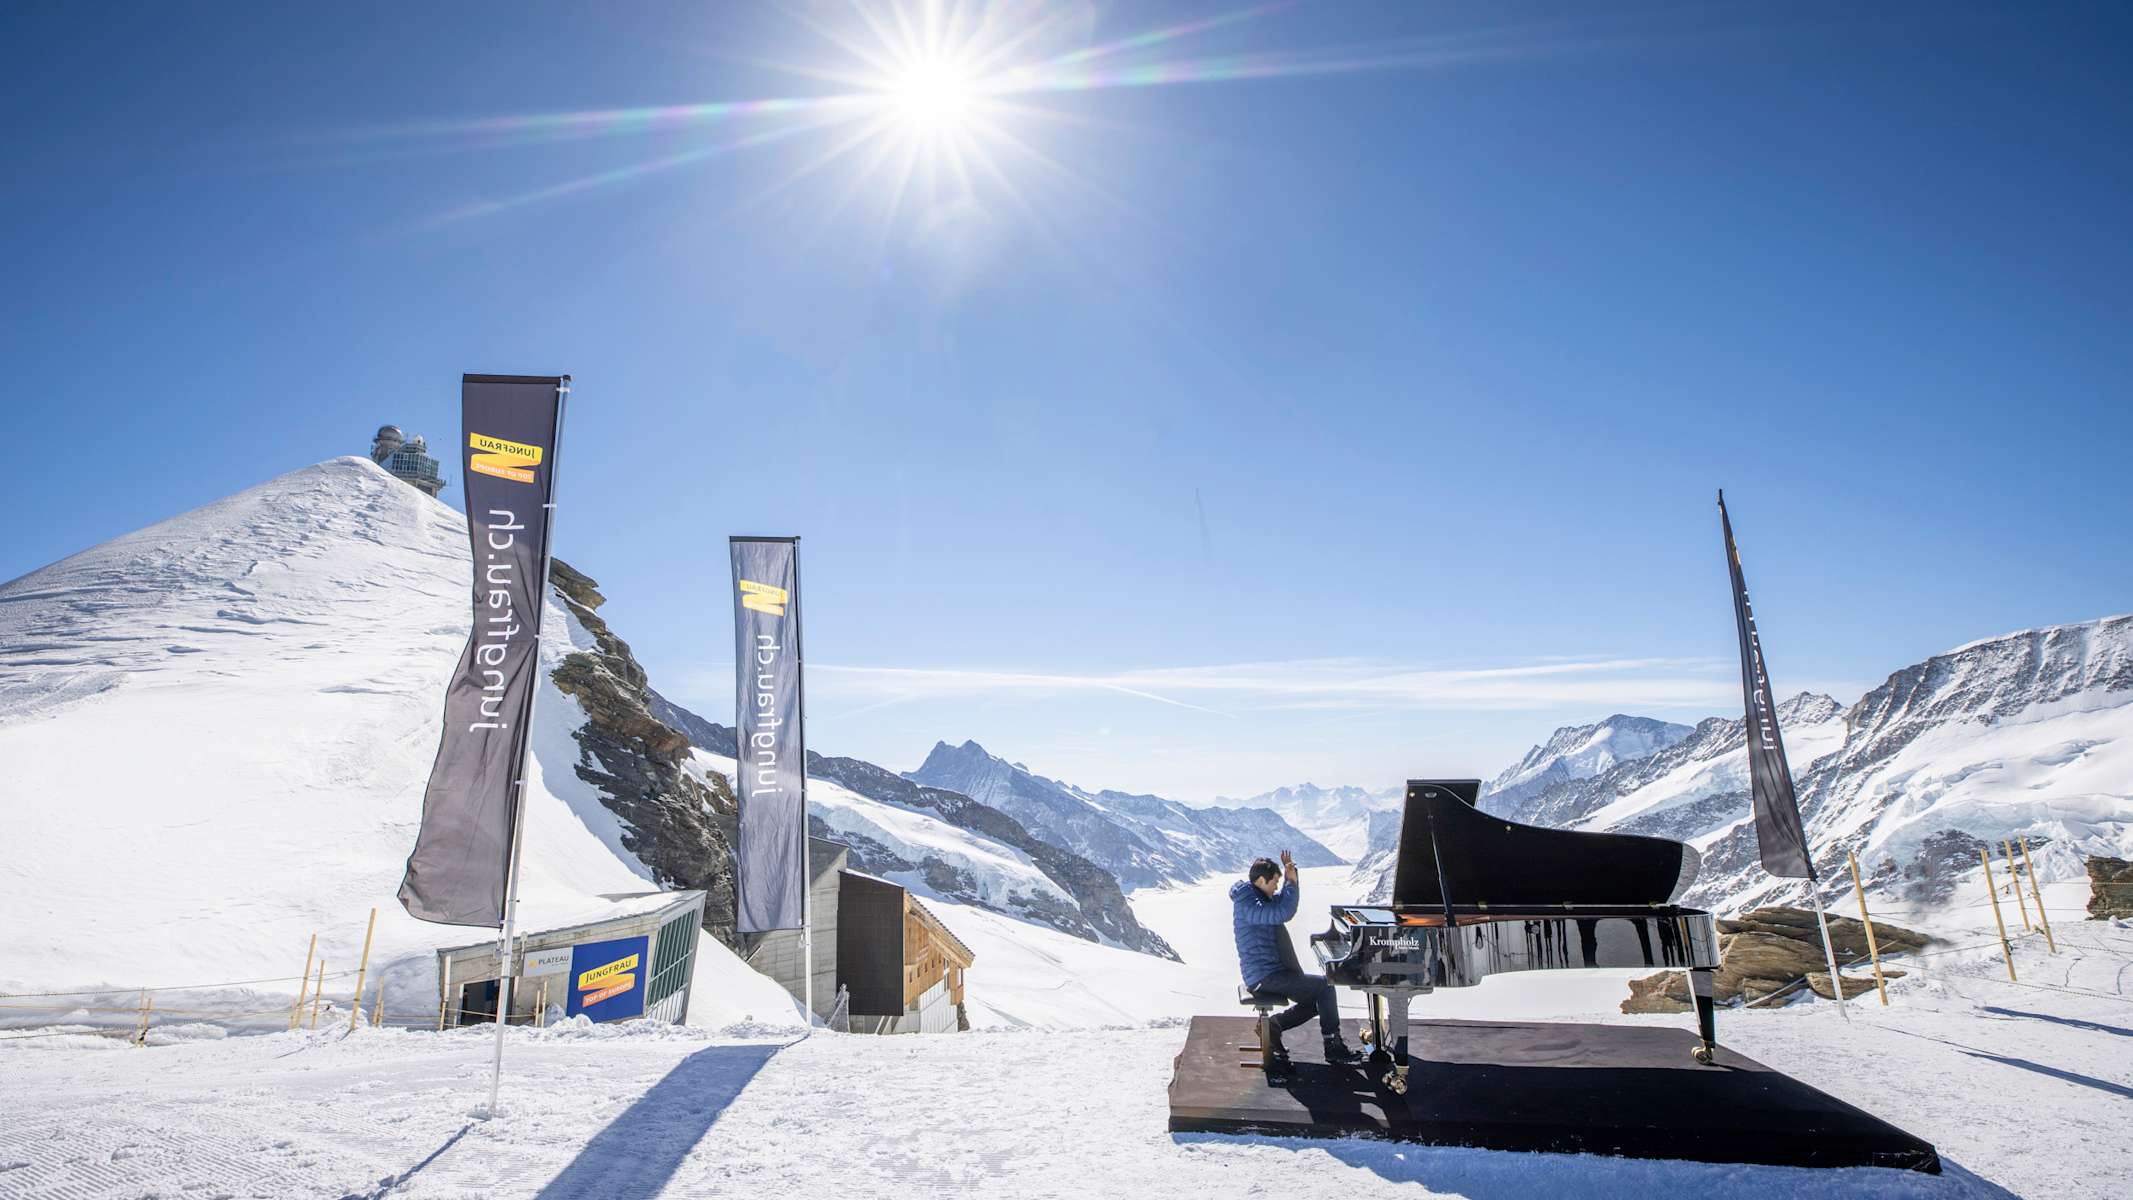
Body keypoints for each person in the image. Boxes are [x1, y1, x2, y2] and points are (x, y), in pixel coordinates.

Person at [1230, 850, 1362, 1067]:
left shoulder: (1253, 897)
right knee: (1325, 987)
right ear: (1261, 880)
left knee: (1315, 1001)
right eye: (1274, 882)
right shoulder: (1248, 905)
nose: (1275, 887)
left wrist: (1291, 881)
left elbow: (1278, 905)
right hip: (1264, 976)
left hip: (1268, 971)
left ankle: (1274, 1026)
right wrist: (1291, 882)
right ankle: (1333, 1047)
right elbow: (1282, 913)